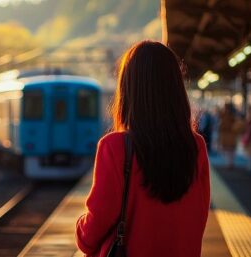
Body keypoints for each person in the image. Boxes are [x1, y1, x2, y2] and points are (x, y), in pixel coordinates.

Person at [75, 41, 210, 257]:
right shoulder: (196, 146)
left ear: (128, 88)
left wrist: (82, 230)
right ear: (175, 88)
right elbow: (199, 215)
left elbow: (98, 221)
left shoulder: (115, 146)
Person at [217, 103, 243, 169]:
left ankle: (229, 163)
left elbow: (222, 125)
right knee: (230, 150)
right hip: (231, 135)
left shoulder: (226, 115)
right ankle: (230, 163)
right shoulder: (232, 115)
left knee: (228, 150)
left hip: (228, 135)